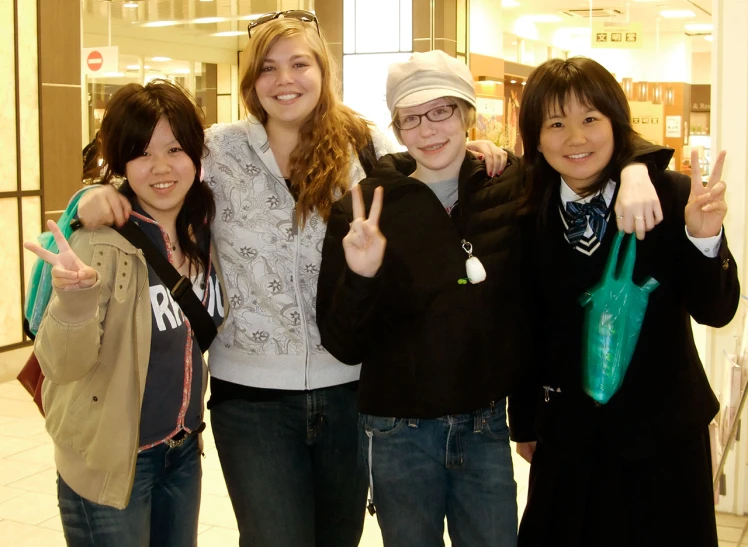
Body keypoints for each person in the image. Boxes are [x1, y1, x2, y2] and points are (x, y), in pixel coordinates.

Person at [75, 13, 507, 547]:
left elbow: (430, 164)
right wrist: (96, 194)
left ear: (322, 71)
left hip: (350, 389)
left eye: (300, 64)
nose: (285, 80)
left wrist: (481, 153)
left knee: (338, 539)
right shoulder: (218, 149)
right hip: (250, 397)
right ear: (250, 81)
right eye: (269, 68)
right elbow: (158, 172)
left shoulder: (362, 145)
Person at [315, 50, 668, 547]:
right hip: (398, 429)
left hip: (484, 424)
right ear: (396, 127)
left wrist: (636, 170)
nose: (429, 129)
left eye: (443, 111)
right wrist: (361, 275)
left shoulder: (512, 184)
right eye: (411, 117)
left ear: (468, 115)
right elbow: (342, 343)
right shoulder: (363, 209)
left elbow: (586, 152)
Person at [508, 56, 740, 547]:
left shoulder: (672, 195)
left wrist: (704, 239)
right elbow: (527, 325)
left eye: (591, 119)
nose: (576, 139)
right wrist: (525, 421)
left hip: (663, 440)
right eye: (556, 124)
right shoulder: (528, 213)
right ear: (535, 136)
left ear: (616, 123)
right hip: (569, 441)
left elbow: (716, 311)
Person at [24, 79, 225, 547]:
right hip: (112, 461)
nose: (161, 168)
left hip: (181, 451)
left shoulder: (203, 229)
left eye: (175, 149)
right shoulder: (101, 239)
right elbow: (62, 365)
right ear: (121, 164)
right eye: (141, 153)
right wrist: (73, 300)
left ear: (196, 155)